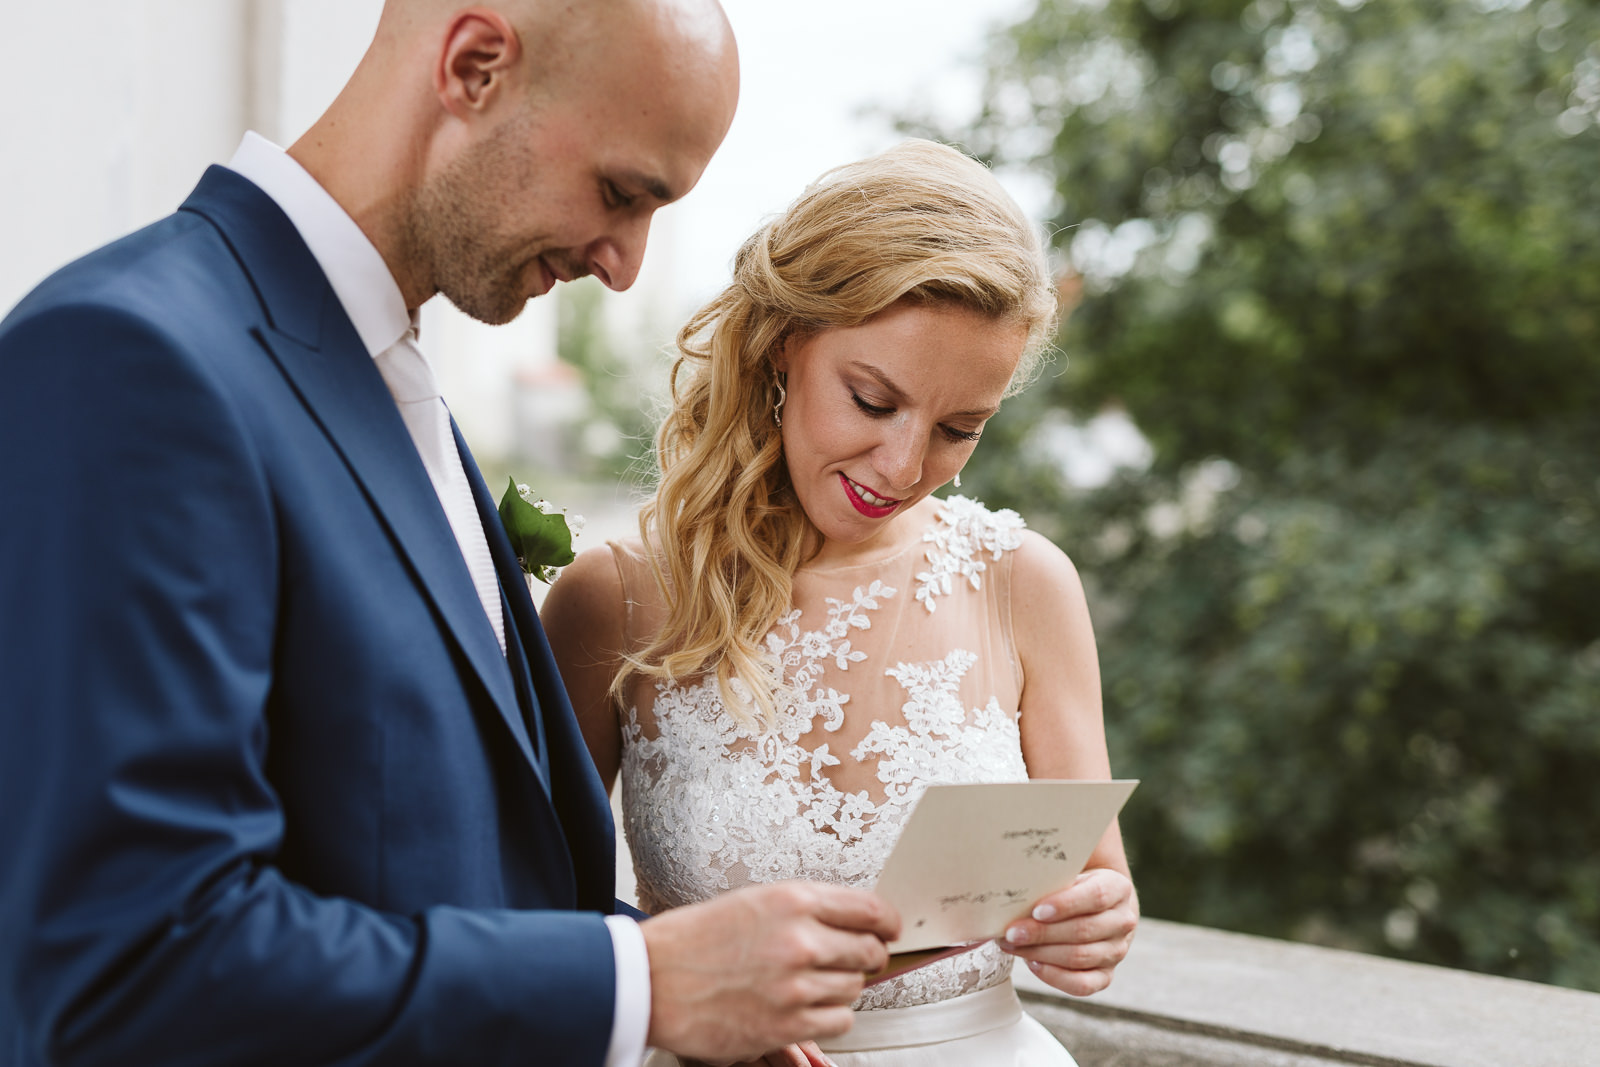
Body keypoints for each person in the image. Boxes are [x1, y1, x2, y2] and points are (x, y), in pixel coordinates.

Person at [0, 2, 901, 1065]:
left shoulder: (389, 375)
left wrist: (688, 977)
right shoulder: (131, 359)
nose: (625, 263)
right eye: (622, 192)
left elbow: (447, 860)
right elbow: (128, 965)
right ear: (475, 67)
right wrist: (641, 986)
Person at [541, 139, 1140, 1066]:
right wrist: (683, 1008)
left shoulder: (1025, 582)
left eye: (957, 430)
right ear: (788, 343)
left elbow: (1096, 877)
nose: (903, 468)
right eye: (871, 401)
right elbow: (533, 914)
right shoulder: (614, 599)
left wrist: (1096, 923)